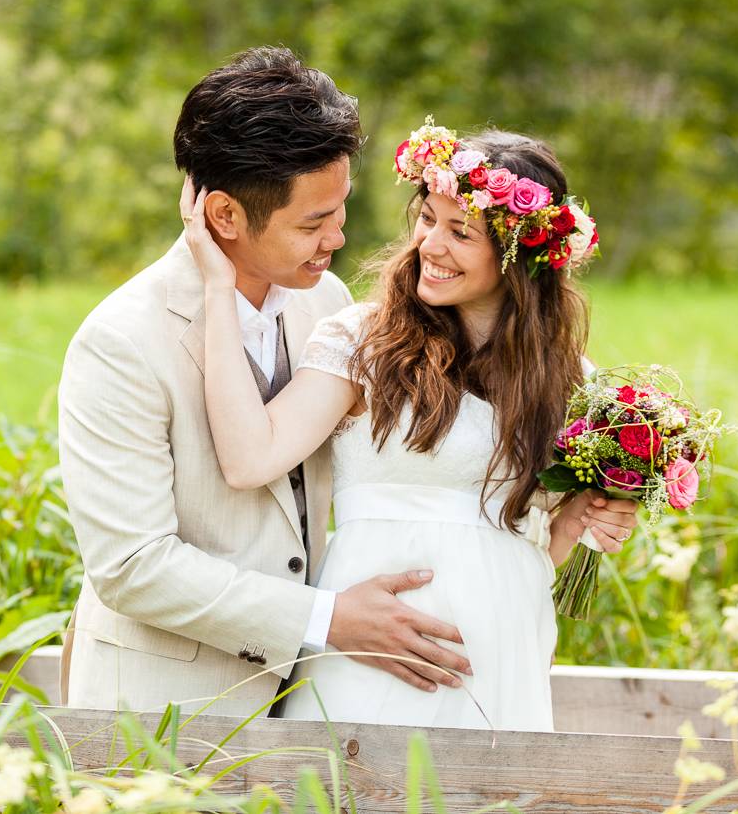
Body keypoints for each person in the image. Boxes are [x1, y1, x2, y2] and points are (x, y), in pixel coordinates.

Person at [183, 118, 638, 730]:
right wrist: (217, 288)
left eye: (461, 232)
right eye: (428, 219)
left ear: (520, 256)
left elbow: (513, 547)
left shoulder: (567, 379)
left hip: (497, 648)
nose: (431, 244)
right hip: (372, 646)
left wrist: (576, 524)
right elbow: (248, 457)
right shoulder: (364, 342)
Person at [58, 50, 473, 716]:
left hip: (314, 700)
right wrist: (324, 618)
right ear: (223, 215)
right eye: (312, 223)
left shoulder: (325, 300)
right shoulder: (119, 343)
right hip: (162, 715)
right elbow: (132, 567)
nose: (337, 237)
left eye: (340, 211)